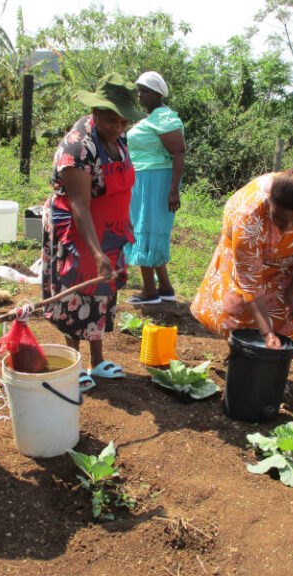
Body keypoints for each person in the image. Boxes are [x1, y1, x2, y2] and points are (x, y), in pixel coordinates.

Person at [41, 73, 144, 390]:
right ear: (95, 112)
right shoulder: (77, 147)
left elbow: (121, 184)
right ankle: (74, 363)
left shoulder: (117, 139)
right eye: (111, 120)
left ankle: (97, 361)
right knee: (78, 289)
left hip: (109, 228)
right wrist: (97, 253)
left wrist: (123, 223)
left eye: (123, 121)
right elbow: (79, 206)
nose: (118, 127)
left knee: (102, 291)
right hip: (77, 227)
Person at [190, 169, 293, 349]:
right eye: (280, 220)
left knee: (283, 311)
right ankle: (237, 350)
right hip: (247, 249)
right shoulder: (248, 215)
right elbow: (250, 284)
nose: (286, 228)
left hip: (289, 259)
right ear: (269, 204)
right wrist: (267, 333)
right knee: (237, 307)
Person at [124, 71, 186, 305]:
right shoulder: (153, 118)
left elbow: (179, 152)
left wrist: (173, 190)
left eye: (146, 91)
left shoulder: (163, 118)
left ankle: (150, 291)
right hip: (144, 179)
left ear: (158, 93)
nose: (140, 95)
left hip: (154, 180)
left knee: (145, 229)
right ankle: (166, 288)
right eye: (138, 90)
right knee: (147, 229)